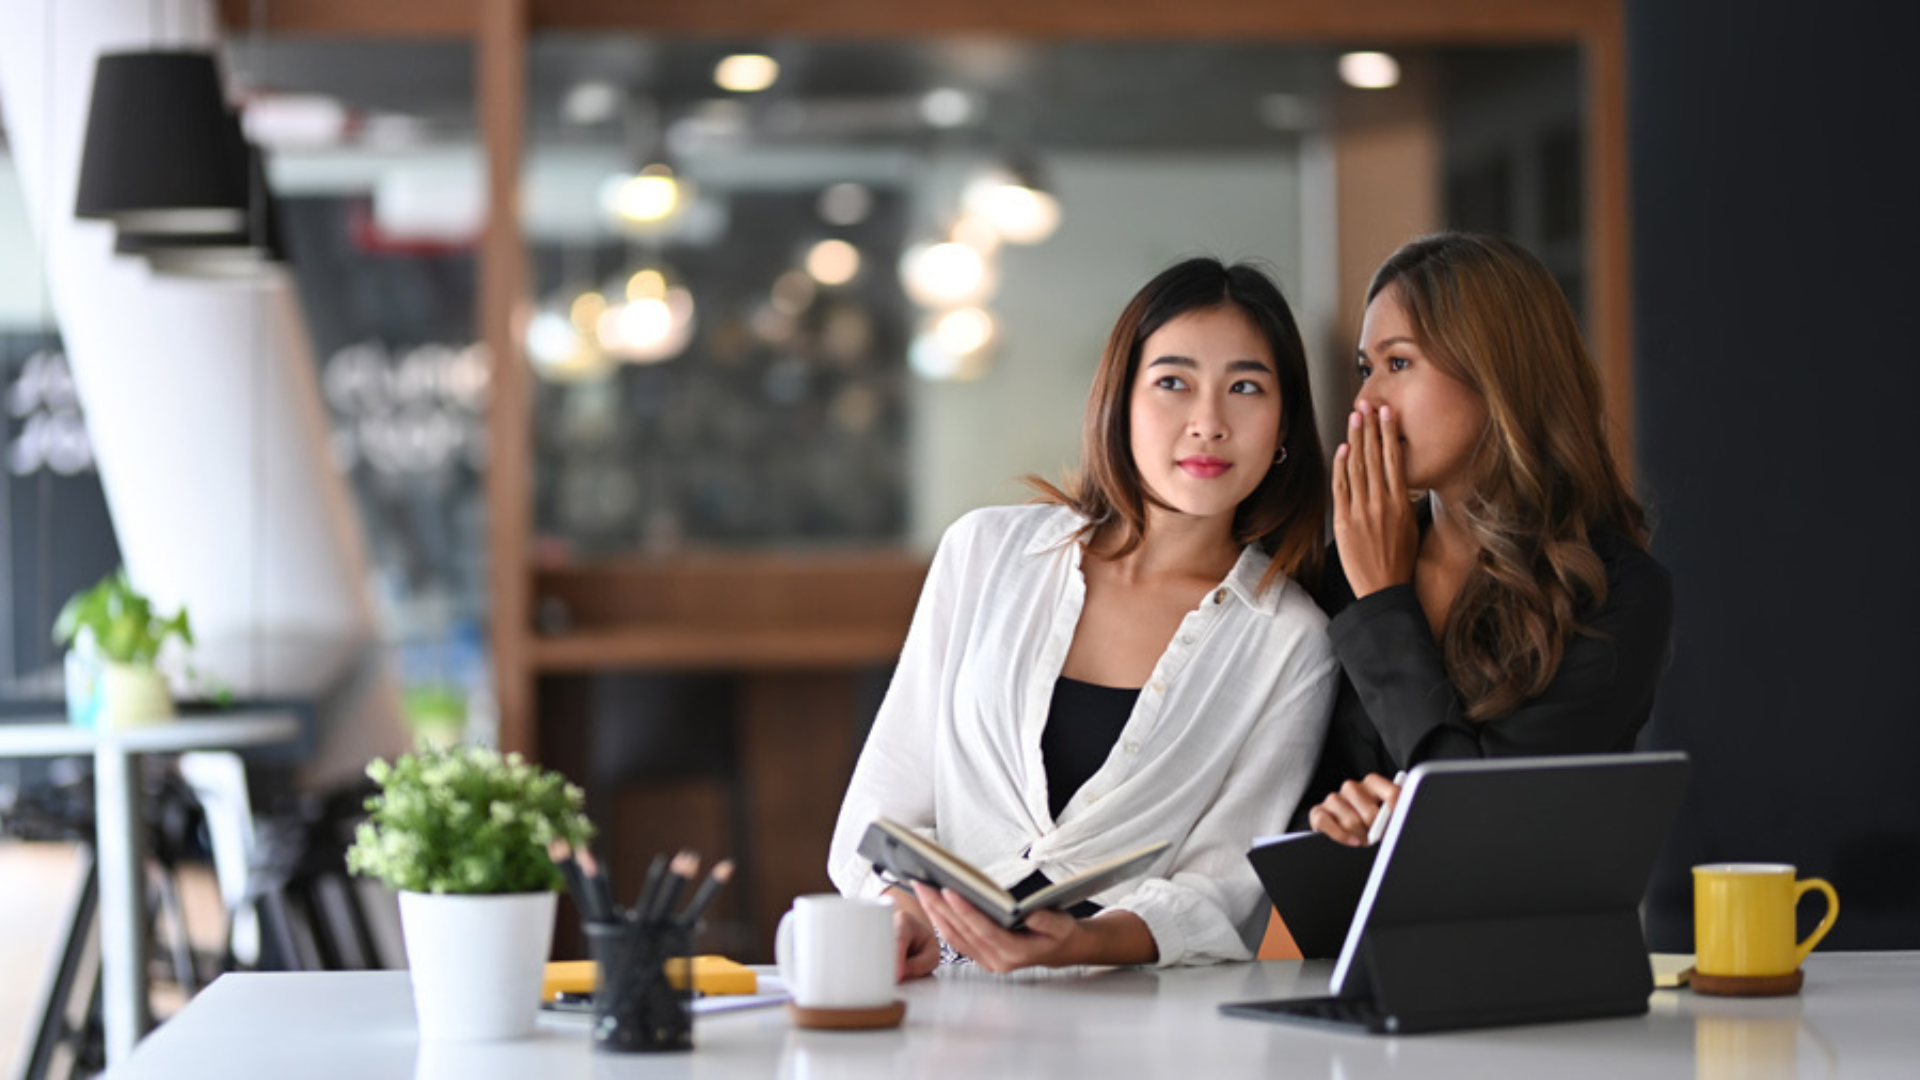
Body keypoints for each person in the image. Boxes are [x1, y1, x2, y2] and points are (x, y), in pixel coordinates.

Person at [828, 257, 1338, 977]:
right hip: (934, 1000)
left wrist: (1090, 941)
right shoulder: (985, 553)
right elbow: (886, 801)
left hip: (1128, 1020)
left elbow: (1224, 887)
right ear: (1120, 400)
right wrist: (895, 907)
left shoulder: (1292, 641)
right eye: (1173, 382)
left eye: (1246, 387)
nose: (1208, 422)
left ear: (1284, 423)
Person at [1301, 232, 1673, 845]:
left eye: (1398, 364)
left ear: (1496, 374)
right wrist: (1330, 825)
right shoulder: (1340, 570)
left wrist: (1384, 606)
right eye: (1365, 369)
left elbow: (1485, 827)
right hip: (1352, 938)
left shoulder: (1614, 593)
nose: (1365, 401)